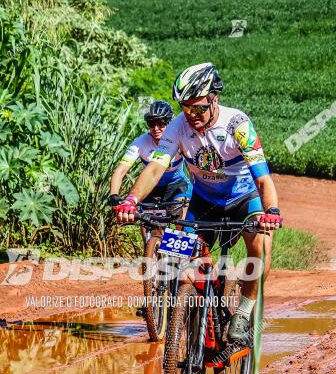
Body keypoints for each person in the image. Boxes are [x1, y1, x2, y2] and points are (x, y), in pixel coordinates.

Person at [113, 63, 282, 342]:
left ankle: (243, 312)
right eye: (186, 108)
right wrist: (131, 200)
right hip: (204, 200)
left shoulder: (238, 125)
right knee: (177, 256)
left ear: (214, 99)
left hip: (244, 198)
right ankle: (190, 312)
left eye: (199, 108)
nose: (192, 116)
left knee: (260, 248)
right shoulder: (178, 126)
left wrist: (271, 211)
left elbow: (263, 180)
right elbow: (155, 168)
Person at [108, 100, 192, 233]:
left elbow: (194, 168)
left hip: (177, 185)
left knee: (181, 222)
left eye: (161, 123)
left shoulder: (179, 140)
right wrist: (114, 194)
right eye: (151, 123)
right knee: (146, 226)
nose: (156, 128)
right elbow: (121, 170)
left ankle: (177, 250)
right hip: (151, 187)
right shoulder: (140, 142)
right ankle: (149, 251)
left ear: (170, 123)